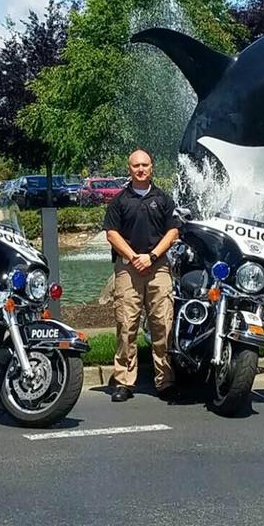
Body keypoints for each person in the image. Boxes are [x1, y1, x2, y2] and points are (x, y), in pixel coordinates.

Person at [103, 149, 180, 403]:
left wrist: (152, 256)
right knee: (126, 325)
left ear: (152, 168)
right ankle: (124, 381)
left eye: (145, 165)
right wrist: (134, 256)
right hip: (128, 268)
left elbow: (173, 232)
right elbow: (111, 234)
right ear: (129, 169)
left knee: (163, 324)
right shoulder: (119, 201)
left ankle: (165, 380)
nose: (140, 169)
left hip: (157, 268)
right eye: (136, 165)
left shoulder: (164, 199)